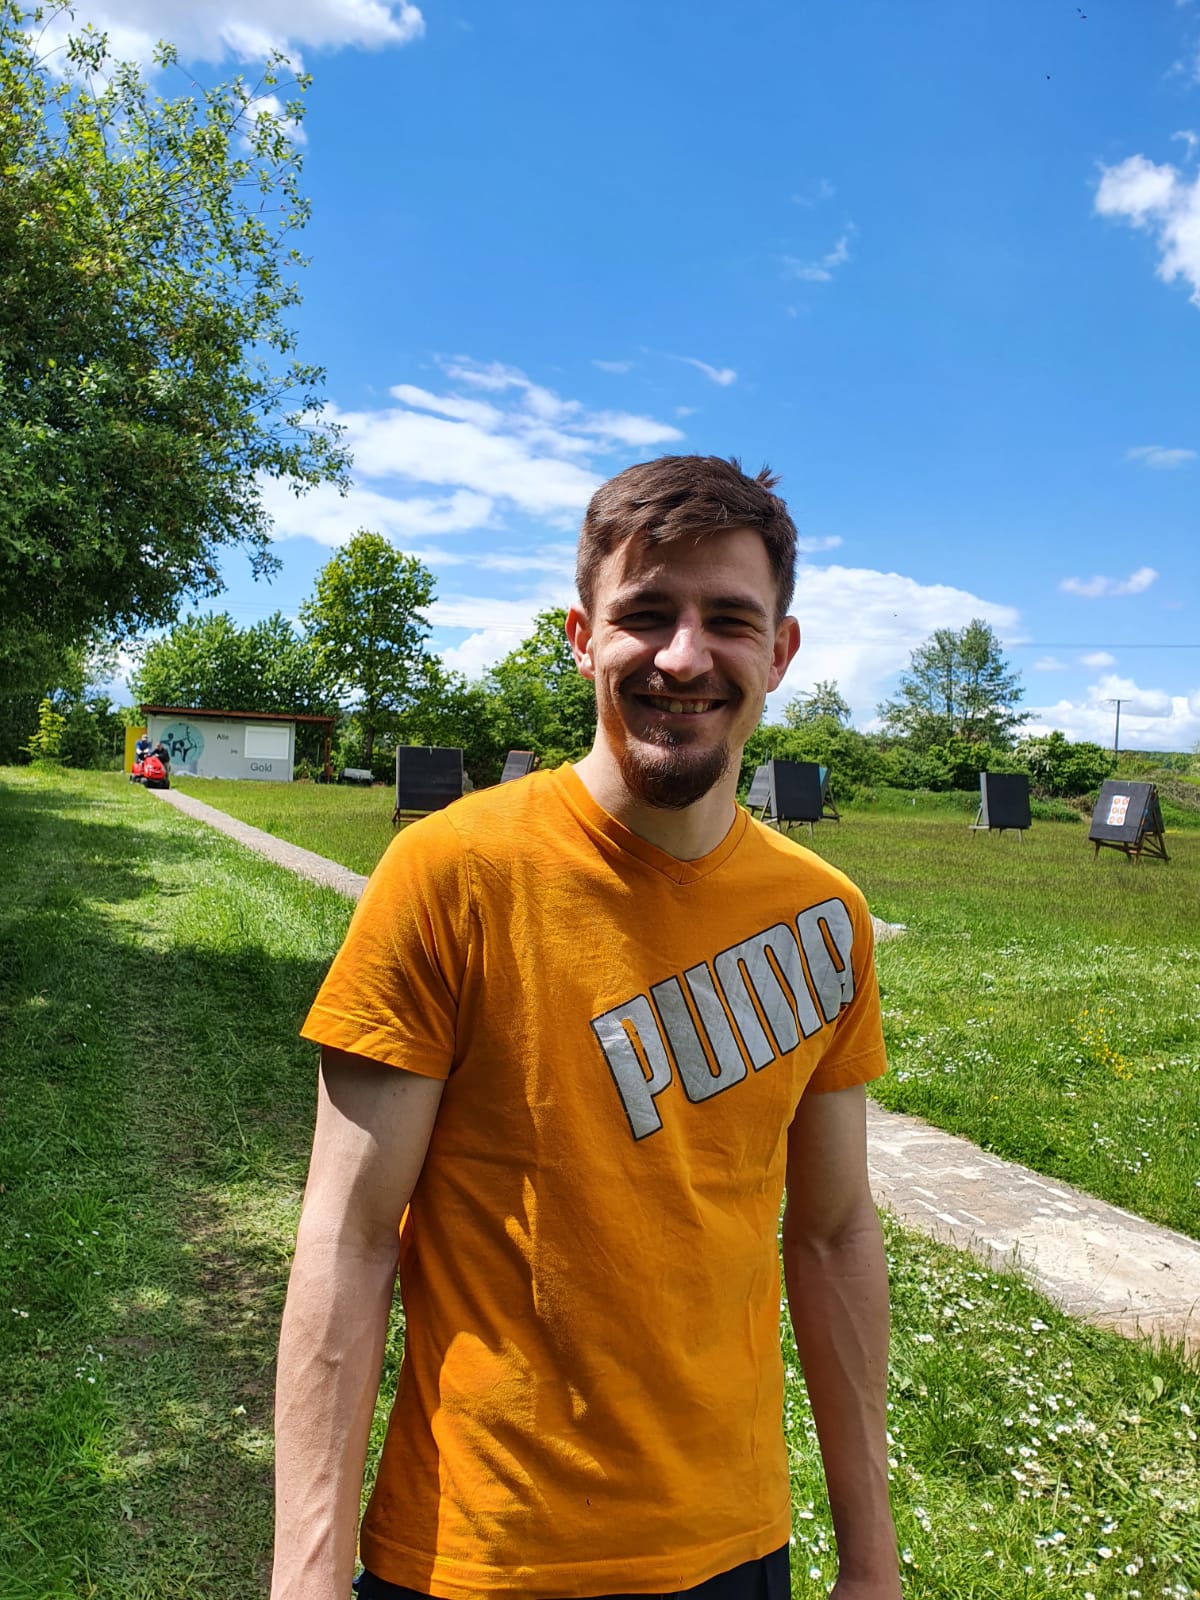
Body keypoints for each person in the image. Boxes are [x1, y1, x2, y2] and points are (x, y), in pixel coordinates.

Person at [272, 455, 900, 1600]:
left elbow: (833, 1233)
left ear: (781, 651)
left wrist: (873, 1559)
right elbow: (349, 1237)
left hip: (734, 1549)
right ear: (582, 635)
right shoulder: (451, 874)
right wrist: (305, 1574)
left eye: (729, 620)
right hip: (481, 1554)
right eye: (646, 613)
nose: (683, 656)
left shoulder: (824, 917)